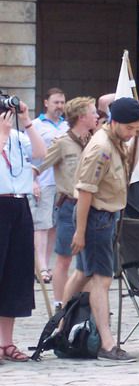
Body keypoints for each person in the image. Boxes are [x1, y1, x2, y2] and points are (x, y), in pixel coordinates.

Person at [63, 97, 139, 362]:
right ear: (116, 122)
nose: (133, 134)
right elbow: (86, 190)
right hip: (96, 216)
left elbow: (129, 167)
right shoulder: (102, 147)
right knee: (102, 278)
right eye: (130, 128)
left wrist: (137, 139)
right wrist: (80, 231)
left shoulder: (117, 141)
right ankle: (107, 344)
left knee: (81, 273)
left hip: (105, 215)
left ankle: (62, 328)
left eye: (137, 129)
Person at [33, 96, 98, 308]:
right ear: (82, 117)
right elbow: (40, 165)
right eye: (93, 112)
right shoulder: (62, 143)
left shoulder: (96, 142)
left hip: (94, 208)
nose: (97, 116)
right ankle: (60, 304)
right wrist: (32, 182)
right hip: (69, 205)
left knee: (89, 261)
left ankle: (86, 304)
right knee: (64, 259)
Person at [0, 97, 46, 362]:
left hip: (19, 205)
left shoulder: (18, 135)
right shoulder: (6, 137)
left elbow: (40, 153)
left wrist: (27, 121)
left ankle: (7, 341)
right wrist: (2, 137)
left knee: (16, 274)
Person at [30, 87, 68, 284]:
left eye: (62, 102)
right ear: (46, 103)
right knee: (42, 225)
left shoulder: (66, 126)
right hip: (43, 181)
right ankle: (41, 266)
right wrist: (33, 180)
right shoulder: (35, 125)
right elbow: (29, 156)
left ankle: (47, 263)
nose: (59, 106)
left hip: (62, 183)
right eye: (56, 102)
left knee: (54, 225)